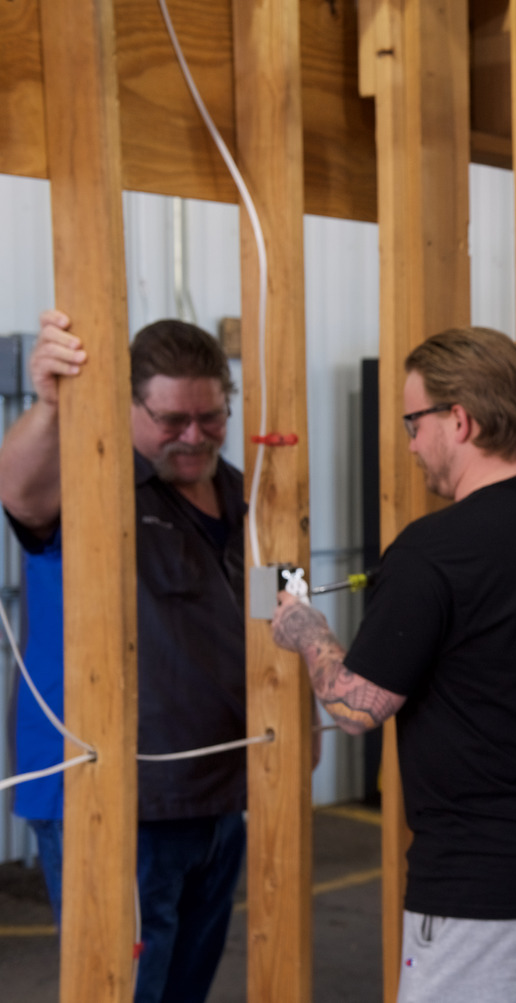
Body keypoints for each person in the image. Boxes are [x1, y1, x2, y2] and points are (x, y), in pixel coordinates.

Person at [269, 326, 516, 1003]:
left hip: (485, 880)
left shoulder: (434, 550)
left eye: (413, 421)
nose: (408, 443)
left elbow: (354, 706)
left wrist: (306, 629)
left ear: (458, 419)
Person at [0, 311, 248, 1003]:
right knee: (124, 990)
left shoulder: (244, 493)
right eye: (171, 419)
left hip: (223, 786)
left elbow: (280, 597)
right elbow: (17, 489)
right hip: (114, 798)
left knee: (185, 986)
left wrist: (304, 699)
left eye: (211, 416)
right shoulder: (91, 480)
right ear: (128, 405)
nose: (193, 435)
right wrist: (52, 406)